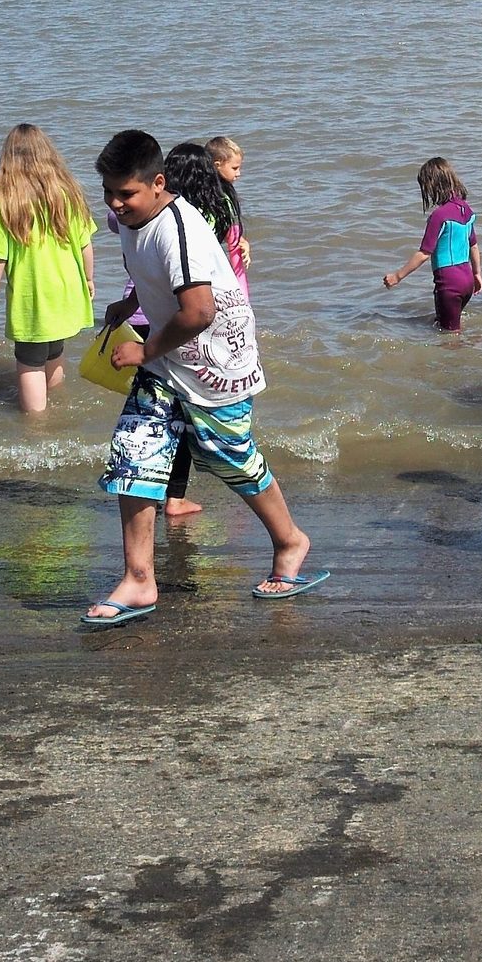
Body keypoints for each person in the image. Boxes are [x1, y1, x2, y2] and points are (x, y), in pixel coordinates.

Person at [86, 130, 319, 625]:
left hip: (216, 357)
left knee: (228, 456)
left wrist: (143, 348)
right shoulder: (129, 216)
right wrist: (129, 303)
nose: (115, 203)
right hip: (167, 357)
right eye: (108, 191)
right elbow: (151, 277)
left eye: (125, 194)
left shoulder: (178, 231)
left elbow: (199, 310)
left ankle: (290, 540)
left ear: (159, 183)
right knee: (134, 453)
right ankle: (139, 580)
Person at [0, 124, 97, 414]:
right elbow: (85, 245)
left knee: (30, 360)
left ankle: (38, 424)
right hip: (67, 290)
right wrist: (89, 279)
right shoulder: (69, 195)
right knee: (54, 350)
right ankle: (57, 403)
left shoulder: (5, 204)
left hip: (34, 297)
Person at [383, 159, 482, 331]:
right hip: (467, 280)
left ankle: (461, 355)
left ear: (433, 186)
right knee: (448, 325)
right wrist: (477, 274)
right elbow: (473, 245)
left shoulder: (439, 216)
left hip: (449, 283)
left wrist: (397, 276)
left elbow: (424, 253)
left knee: (449, 337)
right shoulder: (466, 209)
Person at [206, 135, 251, 266]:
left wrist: (241, 241)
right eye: (234, 168)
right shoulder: (209, 196)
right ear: (217, 165)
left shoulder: (223, 194)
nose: (239, 173)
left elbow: (224, 225)